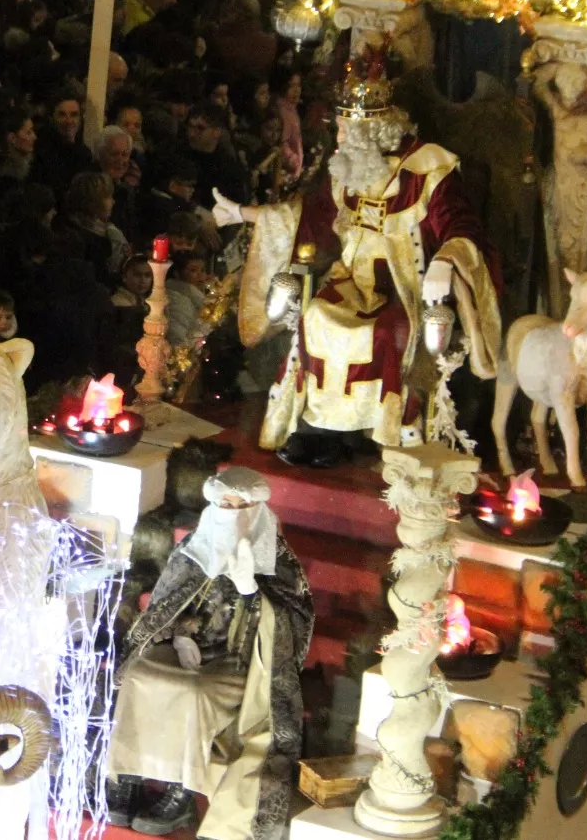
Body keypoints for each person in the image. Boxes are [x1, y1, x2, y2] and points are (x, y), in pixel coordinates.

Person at [213, 64, 502, 465]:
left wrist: (447, 260)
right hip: (351, 280)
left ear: (375, 132)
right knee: (316, 315)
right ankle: (321, 430)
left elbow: (460, 225)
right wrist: (244, 213)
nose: (341, 137)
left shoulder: (426, 170)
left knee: (383, 331)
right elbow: (308, 218)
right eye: (342, 127)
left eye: (349, 130)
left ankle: (377, 430)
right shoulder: (347, 170)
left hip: (405, 286)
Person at [108, 468, 312, 840]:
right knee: (139, 676)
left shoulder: (278, 560)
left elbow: (292, 624)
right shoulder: (192, 550)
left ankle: (180, 790)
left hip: (239, 663)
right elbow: (165, 602)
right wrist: (174, 630)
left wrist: (251, 589)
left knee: (194, 693)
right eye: (226, 505)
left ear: (259, 509)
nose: (233, 513)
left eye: (243, 506)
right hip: (186, 646)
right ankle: (126, 774)